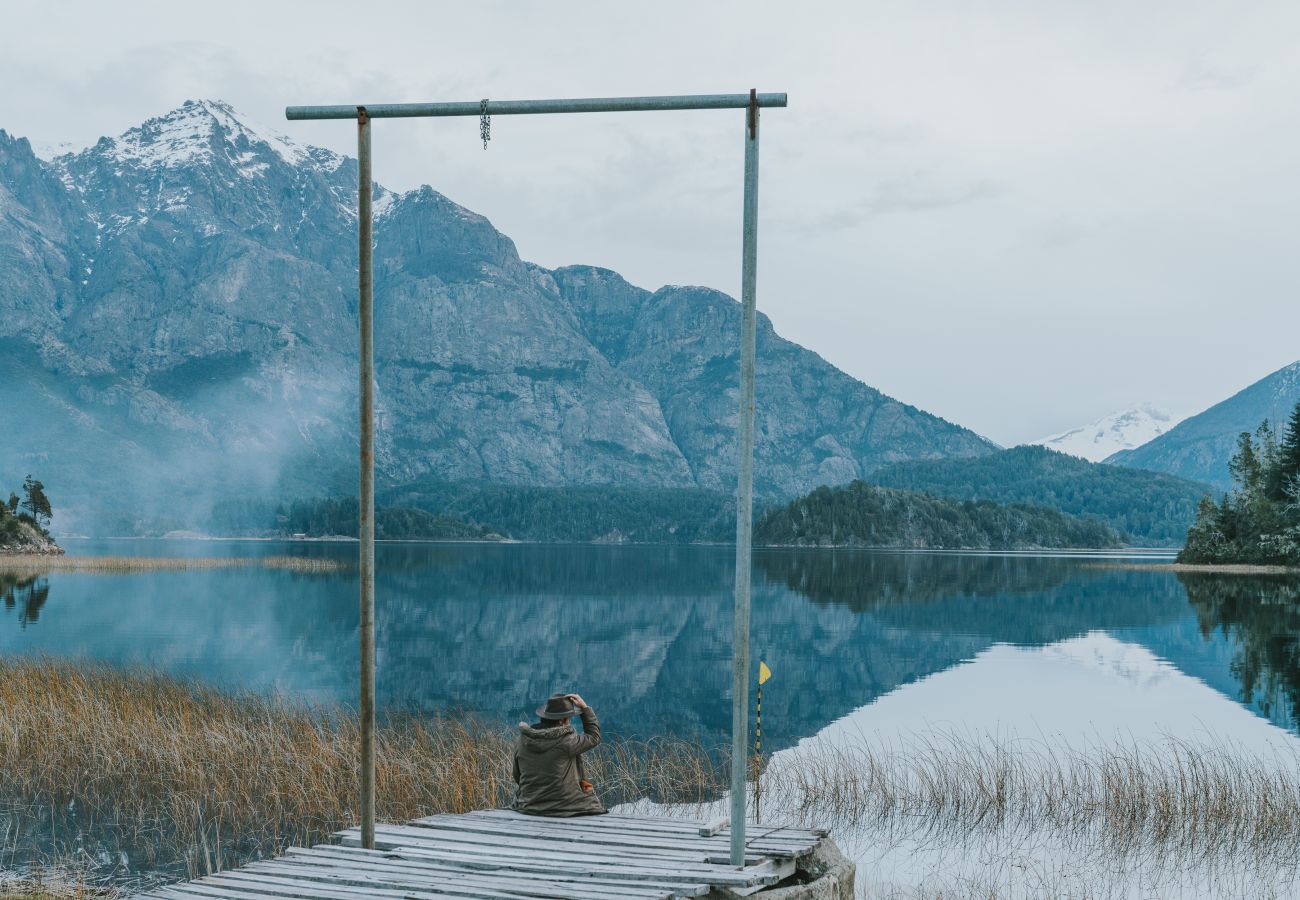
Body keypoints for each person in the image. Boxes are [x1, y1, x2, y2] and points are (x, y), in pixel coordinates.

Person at [511, 691, 606, 817]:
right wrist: (585, 708)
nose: (570, 722)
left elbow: (517, 776)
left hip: (528, 805)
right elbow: (594, 737)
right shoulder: (566, 742)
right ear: (562, 721)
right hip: (565, 806)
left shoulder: (522, 741)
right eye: (569, 718)